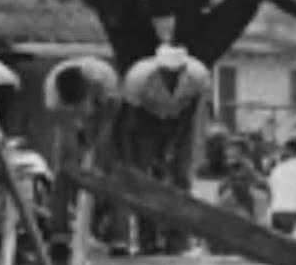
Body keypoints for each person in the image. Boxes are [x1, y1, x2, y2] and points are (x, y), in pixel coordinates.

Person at [117, 43, 211, 253]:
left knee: (181, 177)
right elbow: (128, 121)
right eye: (166, 73)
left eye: (175, 74)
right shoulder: (138, 77)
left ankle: (178, 238)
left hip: (178, 121)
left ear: (183, 70)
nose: (170, 78)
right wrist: (130, 159)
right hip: (146, 121)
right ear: (158, 68)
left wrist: (174, 144)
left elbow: (191, 113)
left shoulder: (198, 75)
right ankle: (147, 238)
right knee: (144, 180)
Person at [41, 54, 121, 249]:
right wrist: (73, 162)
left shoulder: (103, 80)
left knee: (112, 174)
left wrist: (98, 149)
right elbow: (65, 129)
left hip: (103, 114)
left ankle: (118, 235)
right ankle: (59, 234)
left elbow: (110, 120)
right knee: (63, 174)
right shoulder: (53, 90)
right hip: (76, 119)